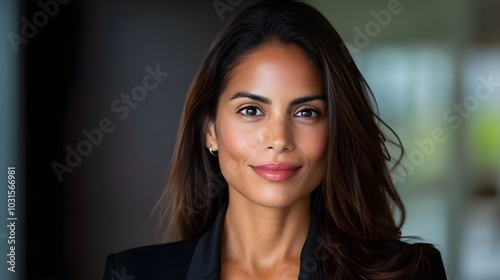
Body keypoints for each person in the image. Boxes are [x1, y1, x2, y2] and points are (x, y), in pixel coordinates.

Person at [101, 0, 447, 279]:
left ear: (336, 131)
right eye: (251, 110)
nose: (279, 139)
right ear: (210, 130)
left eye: (306, 112)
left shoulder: (411, 271)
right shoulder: (134, 273)